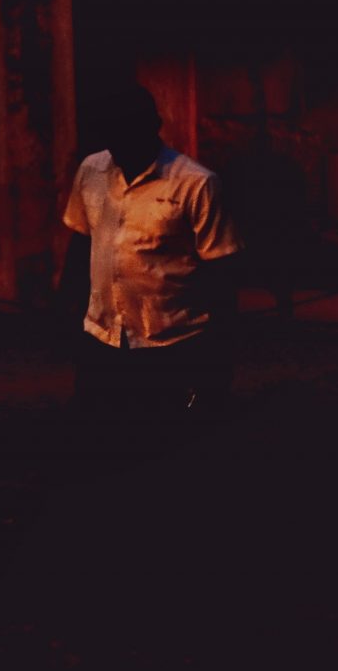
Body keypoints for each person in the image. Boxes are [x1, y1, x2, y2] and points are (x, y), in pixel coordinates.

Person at [61, 83, 243, 423]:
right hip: (103, 342)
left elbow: (222, 272)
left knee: (164, 440)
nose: (118, 143)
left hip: (171, 346)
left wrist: (217, 364)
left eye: (127, 130)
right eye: (110, 132)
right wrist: (68, 309)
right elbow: (82, 239)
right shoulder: (91, 171)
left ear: (153, 127)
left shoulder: (195, 184)